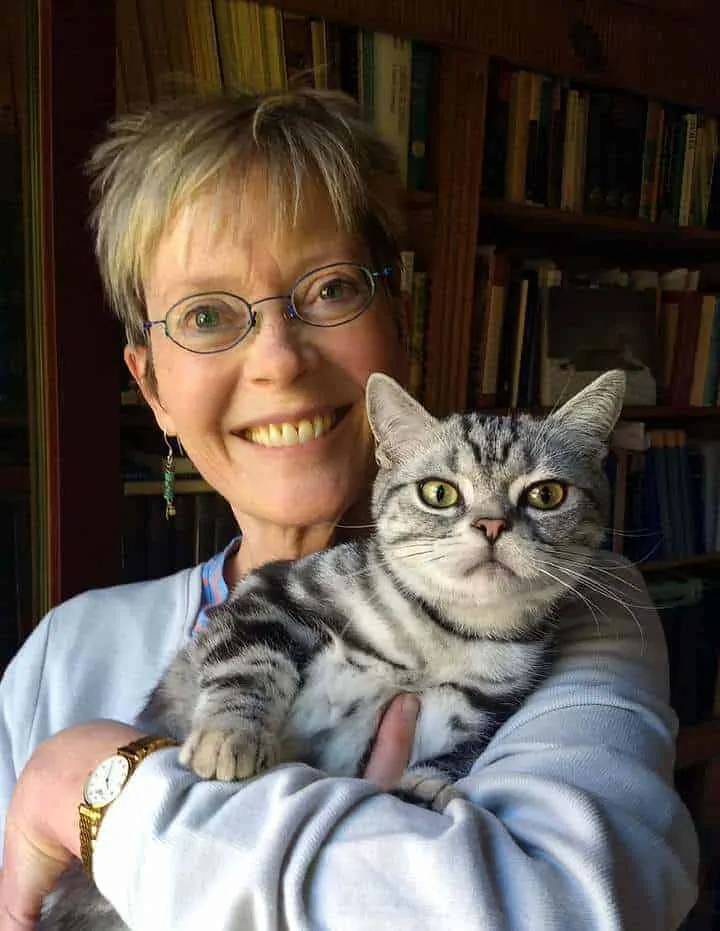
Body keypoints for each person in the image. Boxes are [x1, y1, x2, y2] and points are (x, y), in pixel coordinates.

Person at [0, 87, 698, 930]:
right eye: (207, 314)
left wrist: (96, 785)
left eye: (328, 289)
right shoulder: (57, 657)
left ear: (401, 326)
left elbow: (566, 909)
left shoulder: (584, 609)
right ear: (151, 386)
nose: (279, 361)